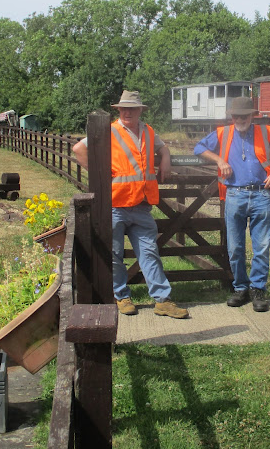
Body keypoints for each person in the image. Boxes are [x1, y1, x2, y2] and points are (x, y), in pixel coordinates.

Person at [73, 90, 189, 319]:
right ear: (119, 111)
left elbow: (162, 147)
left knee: (150, 253)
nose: (127, 112)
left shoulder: (148, 131)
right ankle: (121, 297)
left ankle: (162, 301)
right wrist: (99, 176)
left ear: (140, 111)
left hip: (142, 204)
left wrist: (165, 158)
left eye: (132, 108)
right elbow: (79, 149)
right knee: (114, 254)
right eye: (123, 108)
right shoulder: (109, 130)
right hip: (115, 204)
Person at [194, 96, 270, 312]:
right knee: (235, 247)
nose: (240, 119)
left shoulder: (265, 133)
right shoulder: (223, 132)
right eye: (236, 116)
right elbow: (198, 148)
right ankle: (240, 288)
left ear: (252, 116)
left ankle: (258, 290)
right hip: (234, 195)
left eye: (244, 116)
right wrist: (219, 160)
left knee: (261, 248)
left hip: (261, 194)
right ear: (232, 116)